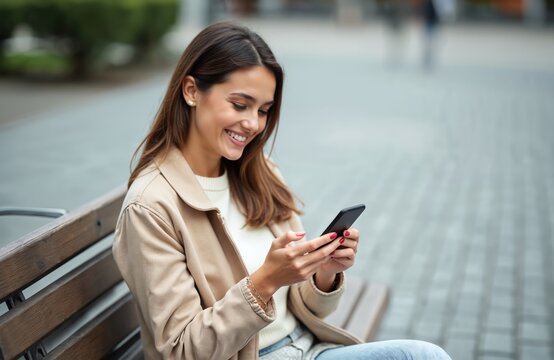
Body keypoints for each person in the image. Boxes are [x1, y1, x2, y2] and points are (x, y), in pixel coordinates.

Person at [112, 22, 452, 360]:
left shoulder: (259, 174)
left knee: (424, 355)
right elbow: (182, 350)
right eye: (240, 104)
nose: (253, 124)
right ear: (191, 91)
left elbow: (309, 310)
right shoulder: (151, 207)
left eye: (263, 110)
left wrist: (324, 273)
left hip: (305, 347)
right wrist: (263, 283)